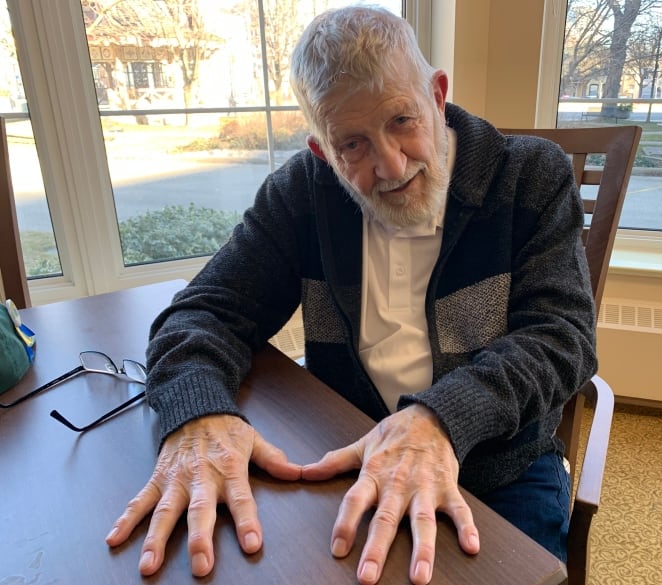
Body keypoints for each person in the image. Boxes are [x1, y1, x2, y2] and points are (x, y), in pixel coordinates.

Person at [105, 6, 597, 585]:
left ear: (437, 95)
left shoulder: (529, 175)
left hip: (499, 466)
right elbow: (205, 312)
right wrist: (199, 413)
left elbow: (562, 338)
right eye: (353, 146)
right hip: (344, 451)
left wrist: (440, 419)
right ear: (322, 151)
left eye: (403, 121)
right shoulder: (302, 193)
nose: (390, 164)